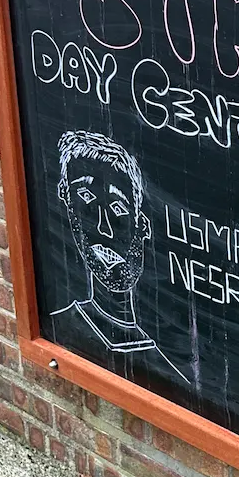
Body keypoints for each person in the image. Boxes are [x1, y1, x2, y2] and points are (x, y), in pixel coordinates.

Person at [50, 130, 189, 385]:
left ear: (142, 225)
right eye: (86, 197)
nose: (104, 228)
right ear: (68, 205)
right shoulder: (56, 328)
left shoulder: (174, 375)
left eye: (118, 208)